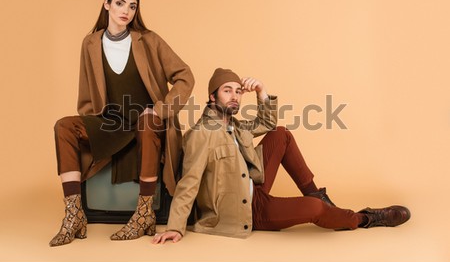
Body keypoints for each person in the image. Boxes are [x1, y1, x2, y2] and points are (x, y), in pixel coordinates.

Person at [152, 68, 410, 244]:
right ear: (212, 96)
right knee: (314, 210)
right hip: (247, 210)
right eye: (227, 91)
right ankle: (364, 218)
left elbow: (266, 123)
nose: (234, 97)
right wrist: (175, 227)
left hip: (253, 186)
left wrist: (261, 92)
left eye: (238, 91)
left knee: (281, 134)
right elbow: (189, 182)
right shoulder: (201, 134)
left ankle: (316, 194)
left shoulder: (235, 124)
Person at [50, 0, 195, 247]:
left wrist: (162, 109)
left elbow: (184, 76)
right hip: (112, 121)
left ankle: (143, 214)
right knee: (63, 126)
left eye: (132, 6)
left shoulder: (148, 40)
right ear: (106, 4)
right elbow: (86, 91)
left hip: (148, 120)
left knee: (147, 120)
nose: (125, 10)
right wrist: (92, 123)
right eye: (119, 3)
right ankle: (73, 215)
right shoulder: (90, 43)